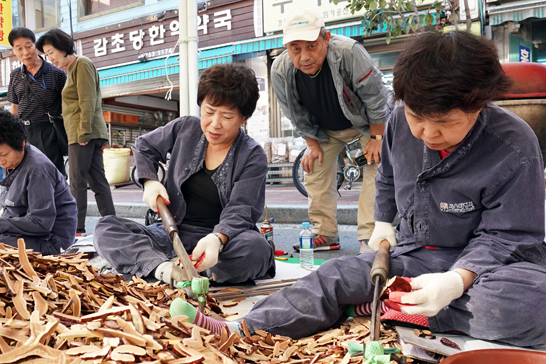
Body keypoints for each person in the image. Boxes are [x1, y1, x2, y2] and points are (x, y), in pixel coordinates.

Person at [172, 31, 546, 348]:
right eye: (418, 118)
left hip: (490, 270)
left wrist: (456, 281)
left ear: (480, 105)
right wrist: (384, 222)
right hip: (418, 256)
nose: (428, 135)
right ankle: (245, 328)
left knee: (529, 304)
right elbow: (386, 175)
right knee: (333, 274)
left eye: (445, 123)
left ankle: (388, 307)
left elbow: (507, 237)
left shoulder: (514, 145)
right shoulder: (399, 120)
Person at [92, 64, 275, 285]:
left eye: (227, 116)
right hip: (173, 233)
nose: (214, 124)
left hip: (224, 243)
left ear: (243, 118)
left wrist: (217, 239)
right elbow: (144, 146)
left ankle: (196, 271)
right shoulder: (185, 128)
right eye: (208, 111)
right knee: (106, 228)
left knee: (256, 249)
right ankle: (166, 270)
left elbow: (242, 210)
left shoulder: (252, 154)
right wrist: (149, 181)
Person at [271, 8, 391, 252]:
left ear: (326, 39)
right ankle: (325, 234)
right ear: (287, 48)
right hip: (326, 130)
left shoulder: (349, 52)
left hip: (367, 124)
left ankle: (370, 236)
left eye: (311, 46)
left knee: (377, 167)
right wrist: (312, 146)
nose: (304, 56)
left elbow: (376, 97)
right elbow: (294, 113)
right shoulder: (280, 70)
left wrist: (378, 138)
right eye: (295, 48)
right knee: (313, 166)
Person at [36, 29, 115, 236]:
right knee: (97, 181)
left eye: (51, 52)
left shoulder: (82, 64)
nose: (50, 58)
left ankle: (76, 229)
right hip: (83, 133)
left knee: (77, 182)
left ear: (63, 48)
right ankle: (113, 225)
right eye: (46, 55)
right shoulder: (73, 69)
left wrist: (83, 134)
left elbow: (87, 100)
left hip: (83, 134)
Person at [0, 110, 77, 255]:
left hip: (51, 240)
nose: (1, 162)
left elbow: (41, 224)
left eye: (3, 155)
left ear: (21, 143)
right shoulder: (12, 161)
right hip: (29, 234)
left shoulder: (37, 170)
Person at [7, 27, 68, 175]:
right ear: (14, 51)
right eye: (19, 48)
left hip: (48, 132)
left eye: (28, 46)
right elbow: (14, 108)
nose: (25, 52)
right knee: (24, 176)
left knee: (51, 175)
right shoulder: (15, 75)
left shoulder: (57, 73)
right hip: (23, 132)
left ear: (36, 46)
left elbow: (68, 106)